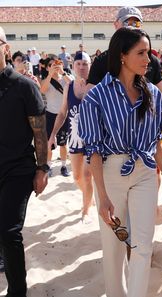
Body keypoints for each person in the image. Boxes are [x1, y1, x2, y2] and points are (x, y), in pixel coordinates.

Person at [78, 27, 162, 297]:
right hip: (110, 174)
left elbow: (155, 140)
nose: (148, 59)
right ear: (122, 56)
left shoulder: (153, 95)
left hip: (145, 172)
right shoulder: (97, 96)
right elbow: (93, 151)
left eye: (149, 52)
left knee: (143, 245)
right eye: (141, 53)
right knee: (114, 247)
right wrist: (102, 194)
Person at [87, 6, 162, 150]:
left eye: (136, 24)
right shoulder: (102, 61)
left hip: (144, 139)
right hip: (111, 143)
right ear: (116, 24)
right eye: (127, 22)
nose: (132, 27)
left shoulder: (151, 61)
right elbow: (88, 100)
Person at [0, 27, 49, 297]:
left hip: (18, 170)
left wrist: (42, 168)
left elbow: (39, 133)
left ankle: (17, 291)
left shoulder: (24, 86)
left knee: (9, 231)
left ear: (6, 48)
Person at [48, 52, 94, 222]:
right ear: (73, 66)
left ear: (90, 66)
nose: (82, 67)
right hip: (74, 137)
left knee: (88, 176)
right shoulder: (69, 87)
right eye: (78, 64)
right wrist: (52, 134)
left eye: (85, 64)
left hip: (93, 137)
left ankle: (86, 210)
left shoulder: (97, 86)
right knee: (77, 177)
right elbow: (62, 113)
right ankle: (89, 197)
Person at [40, 57, 72, 177]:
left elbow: (74, 84)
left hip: (64, 115)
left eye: (56, 64)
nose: (54, 66)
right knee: (50, 143)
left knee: (63, 143)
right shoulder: (46, 80)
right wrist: (50, 75)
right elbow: (42, 90)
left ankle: (63, 166)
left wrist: (62, 72)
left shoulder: (65, 78)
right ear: (47, 67)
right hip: (50, 115)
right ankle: (48, 166)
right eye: (50, 65)